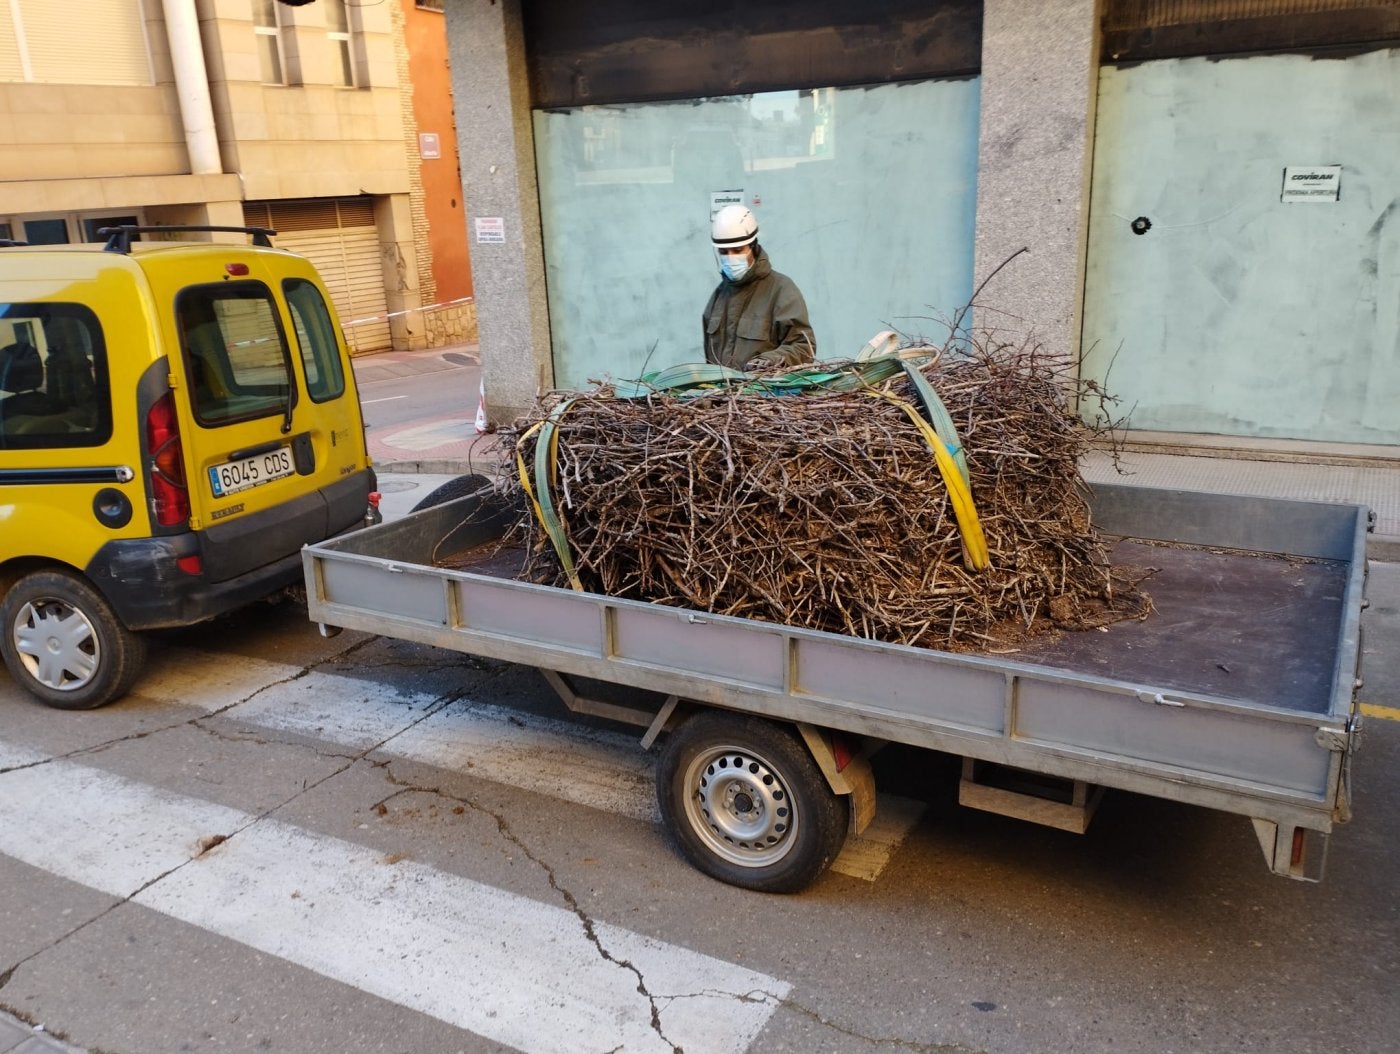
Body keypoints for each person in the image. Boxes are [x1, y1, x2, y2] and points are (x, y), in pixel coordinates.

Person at [702, 205, 815, 371]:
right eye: (724, 252)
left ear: (753, 247)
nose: (730, 258)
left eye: (738, 250)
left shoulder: (781, 290)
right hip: (726, 395)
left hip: (766, 394)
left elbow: (803, 346)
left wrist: (770, 361)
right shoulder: (719, 296)